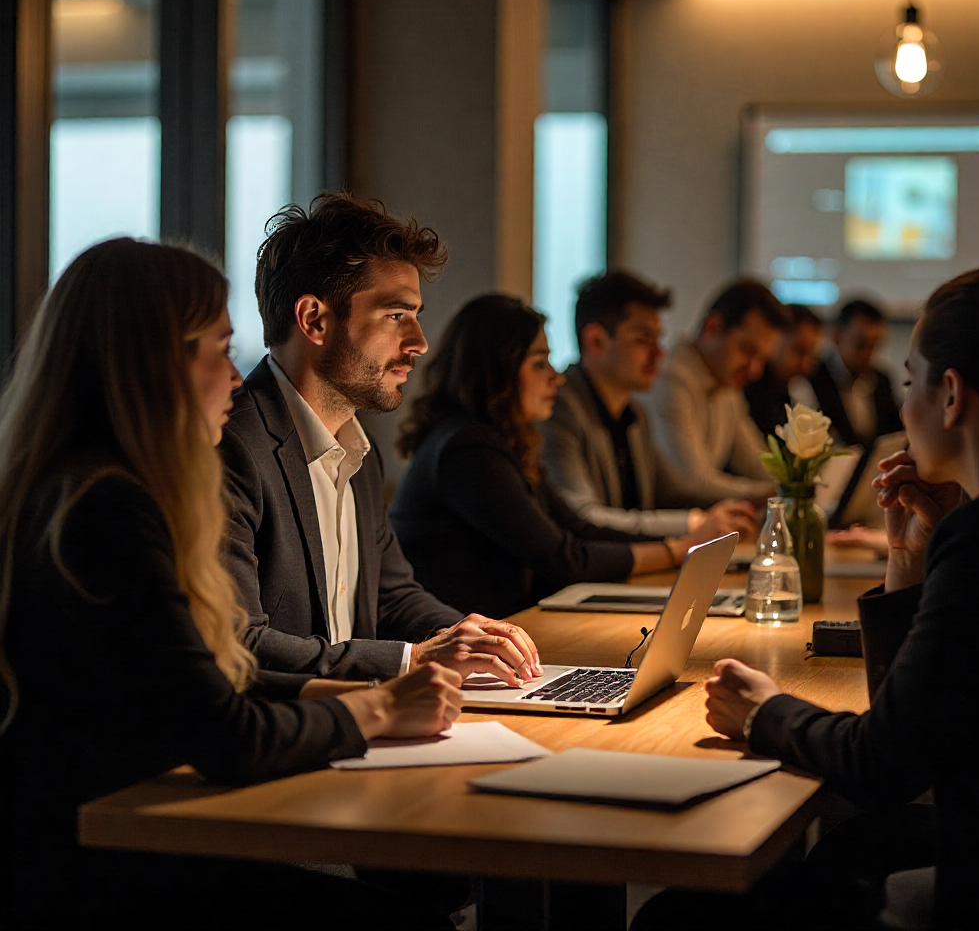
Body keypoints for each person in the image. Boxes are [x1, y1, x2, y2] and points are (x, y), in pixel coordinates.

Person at [0, 239, 464, 930]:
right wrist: (379, 709)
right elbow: (224, 733)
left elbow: (194, 685)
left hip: (116, 839)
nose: (236, 378)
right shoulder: (110, 512)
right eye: (219, 351)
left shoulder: (76, 492)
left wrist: (351, 691)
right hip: (107, 868)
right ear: (152, 366)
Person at [697, 266, 979, 931]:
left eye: (909, 382)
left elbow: (884, 764)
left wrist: (764, 712)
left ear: (951, 395)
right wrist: (907, 558)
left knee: (683, 917)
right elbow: (912, 723)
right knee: (847, 849)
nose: (904, 409)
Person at [220, 192, 542, 691]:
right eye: (396, 315)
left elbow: (391, 597)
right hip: (293, 727)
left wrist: (469, 636)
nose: (420, 342)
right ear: (314, 320)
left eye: (416, 315)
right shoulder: (232, 448)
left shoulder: (358, 451)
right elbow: (240, 643)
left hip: (361, 716)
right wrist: (412, 660)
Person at [390, 294, 699, 619]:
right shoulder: (467, 448)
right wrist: (675, 550)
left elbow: (578, 528)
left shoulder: (501, 441)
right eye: (540, 363)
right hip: (459, 638)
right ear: (497, 373)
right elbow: (564, 559)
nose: (557, 376)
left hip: (499, 628)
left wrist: (680, 542)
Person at [542, 270, 755, 541]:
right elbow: (583, 517)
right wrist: (694, 522)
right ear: (596, 341)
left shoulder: (635, 413)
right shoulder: (558, 409)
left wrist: (752, 502)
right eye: (643, 339)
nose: (659, 353)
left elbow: (673, 493)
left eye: (658, 339)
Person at [646, 279, 790, 505]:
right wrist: (776, 492)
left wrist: (795, 485)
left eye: (762, 359)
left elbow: (758, 463)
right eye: (747, 350)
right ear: (712, 328)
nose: (754, 370)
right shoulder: (669, 378)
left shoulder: (726, 385)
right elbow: (692, 481)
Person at [808, 298, 903, 449]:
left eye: (874, 346)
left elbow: (893, 430)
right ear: (837, 336)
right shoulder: (813, 376)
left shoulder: (882, 379)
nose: (868, 354)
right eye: (860, 344)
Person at [744, 303, 823, 439]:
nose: (807, 366)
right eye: (799, 351)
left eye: (812, 355)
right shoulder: (746, 386)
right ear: (775, 337)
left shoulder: (794, 390)